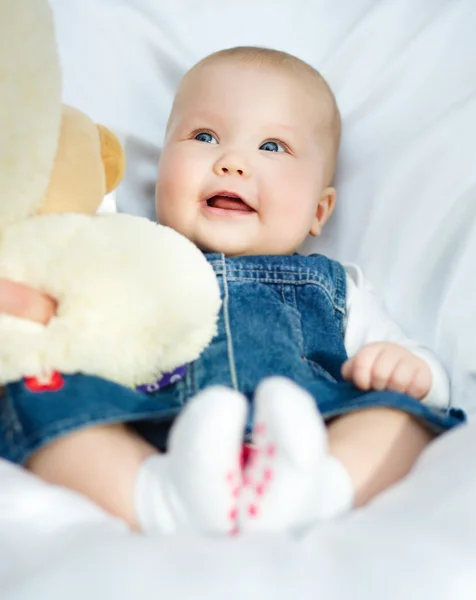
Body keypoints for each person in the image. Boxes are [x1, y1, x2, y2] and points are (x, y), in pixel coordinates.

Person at [0, 47, 465, 536]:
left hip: (307, 432)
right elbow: (64, 316)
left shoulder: (338, 285)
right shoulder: (126, 253)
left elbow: (418, 374)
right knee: (35, 396)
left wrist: (412, 370)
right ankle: (155, 497)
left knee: (400, 422)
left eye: (272, 147)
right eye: (204, 136)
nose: (232, 162)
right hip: (145, 428)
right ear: (159, 173)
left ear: (319, 212)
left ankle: (317, 491)